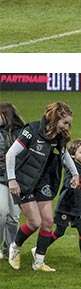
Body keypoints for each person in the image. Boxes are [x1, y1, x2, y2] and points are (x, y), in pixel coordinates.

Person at [6, 102, 79, 272]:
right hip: (23, 180)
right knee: (34, 222)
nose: (68, 126)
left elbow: (64, 155)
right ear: (55, 120)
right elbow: (11, 154)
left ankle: (39, 262)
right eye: (65, 122)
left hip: (43, 181)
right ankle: (14, 248)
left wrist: (74, 173)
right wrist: (12, 180)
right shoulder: (31, 129)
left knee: (47, 222)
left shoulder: (59, 137)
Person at [46, 138, 81, 268]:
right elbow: (67, 182)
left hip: (78, 207)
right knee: (59, 232)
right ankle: (39, 249)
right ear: (72, 155)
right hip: (66, 206)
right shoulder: (72, 169)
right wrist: (71, 185)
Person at [0, 103, 25, 259]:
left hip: (16, 180)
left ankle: (10, 248)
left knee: (14, 218)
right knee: (1, 212)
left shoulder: (22, 134)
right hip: (0, 178)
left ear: (6, 115)